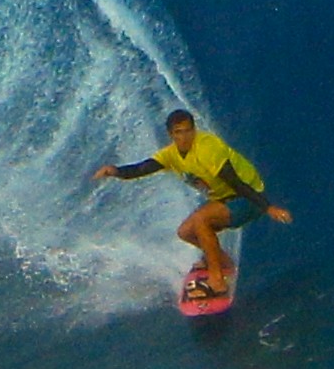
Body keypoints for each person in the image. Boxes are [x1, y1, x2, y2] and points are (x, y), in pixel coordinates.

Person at [93, 107, 293, 300]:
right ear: (171, 135)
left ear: (194, 130)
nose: (185, 136)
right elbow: (141, 169)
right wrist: (114, 171)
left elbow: (235, 182)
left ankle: (217, 280)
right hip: (224, 198)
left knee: (201, 220)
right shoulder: (170, 155)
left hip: (248, 198)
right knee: (185, 232)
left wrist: (268, 207)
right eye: (179, 132)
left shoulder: (207, 148)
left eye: (189, 130)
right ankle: (224, 264)